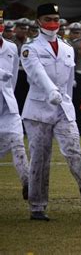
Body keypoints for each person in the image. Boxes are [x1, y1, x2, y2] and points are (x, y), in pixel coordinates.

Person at [20, 3, 81, 221]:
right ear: (39, 22)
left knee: (73, 149)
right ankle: (37, 206)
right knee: (40, 157)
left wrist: (66, 101)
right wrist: (50, 91)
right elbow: (36, 73)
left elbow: (69, 82)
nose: (53, 23)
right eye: (48, 19)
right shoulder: (30, 48)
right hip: (39, 108)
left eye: (56, 19)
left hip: (62, 107)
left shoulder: (67, 48)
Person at [0, 10, 29, 200]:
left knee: (18, 143)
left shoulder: (10, 48)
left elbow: (14, 78)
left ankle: (29, 184)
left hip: (8, 106)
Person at [69, 22, 81, 135]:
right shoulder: (75, 45)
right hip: (79, 75)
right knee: (78, 102)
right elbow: (72, 62)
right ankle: (79, 127)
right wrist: (72, 77)